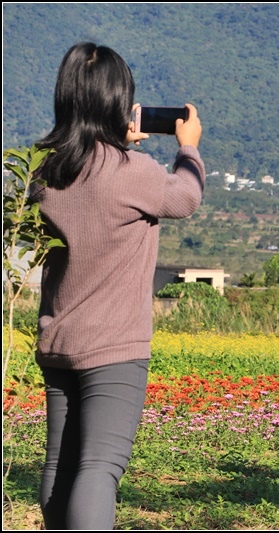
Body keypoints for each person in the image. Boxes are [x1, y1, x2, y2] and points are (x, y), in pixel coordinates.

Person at [30, 42, 205, 530]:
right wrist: (187, 145)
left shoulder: (45, 174)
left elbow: (92, 189)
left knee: (59, 466)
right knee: (100, 467)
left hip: (59, 341)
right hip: (113, 348)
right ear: (117, 101)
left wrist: (116, 146)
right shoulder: (133, 173)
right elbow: (186, 196)